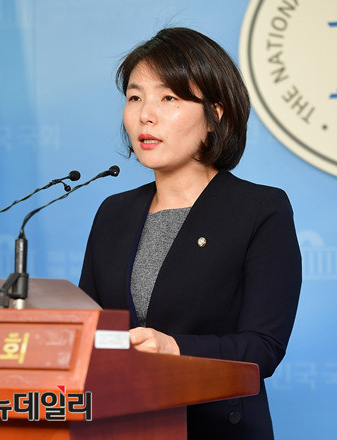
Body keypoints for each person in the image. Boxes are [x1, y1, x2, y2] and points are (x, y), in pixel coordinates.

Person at [79, 27, 301, 440]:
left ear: (216, 114)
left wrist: (174, 348)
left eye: (169, 98)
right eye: (135, 97)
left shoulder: (260, 209)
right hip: (123, 425)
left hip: (215, 427)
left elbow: (262, 347)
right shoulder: (113, 212)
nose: (146, 114)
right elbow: (91, 331)